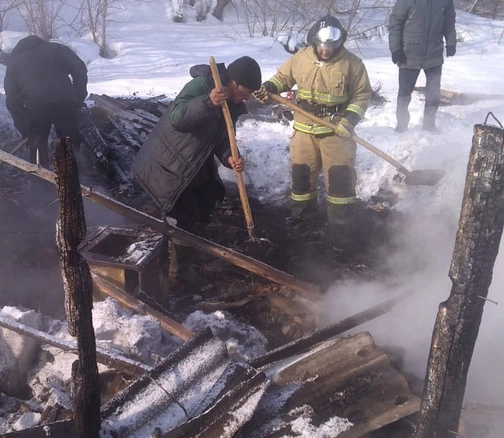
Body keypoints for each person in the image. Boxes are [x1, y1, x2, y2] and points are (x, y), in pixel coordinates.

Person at [131, 56, 262, 287]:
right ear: (234, 83)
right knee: (187, 216)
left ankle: (189, 251)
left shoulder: (232, 103)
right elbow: (177, 118)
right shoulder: (202, 85)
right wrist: (207, 102)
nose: (248, 97)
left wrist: (229, 157)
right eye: (247, 90)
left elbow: (222, 136)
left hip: (194, 164)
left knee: (207, 201)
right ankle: (177, 274)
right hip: (169, 164)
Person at [253, 14, 372, 249]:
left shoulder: (353, 64)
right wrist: (268, 88)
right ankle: (302, 218)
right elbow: (282, 78)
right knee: (301, 175)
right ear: (314, 42)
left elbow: (362, 95)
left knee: (340, 181)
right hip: (304, 129)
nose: (326, 51)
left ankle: (340, 226)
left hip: (335, 131)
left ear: (339, 43)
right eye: (322, 46)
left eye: (331, 47)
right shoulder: (301, 58)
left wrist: (349, 120)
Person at [3, 35, 88, 168]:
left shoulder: (13, 62)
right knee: (69, 144)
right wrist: (78, 96)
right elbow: (79, 68)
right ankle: (74, 180)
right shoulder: (57, 49)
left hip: (36, 109)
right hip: (65, 103)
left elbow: (12, 98)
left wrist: (24, 127)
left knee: (37, 147)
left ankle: (40, 183)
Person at [389, 0, 456, 133]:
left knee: (433, 93)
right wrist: (396, 49)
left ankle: (429, 125)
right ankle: (401, 125)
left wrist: (451, 42)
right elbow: (395, 23)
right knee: (404, 93)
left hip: (434, 54)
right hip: (409, 54)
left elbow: (449, 22)